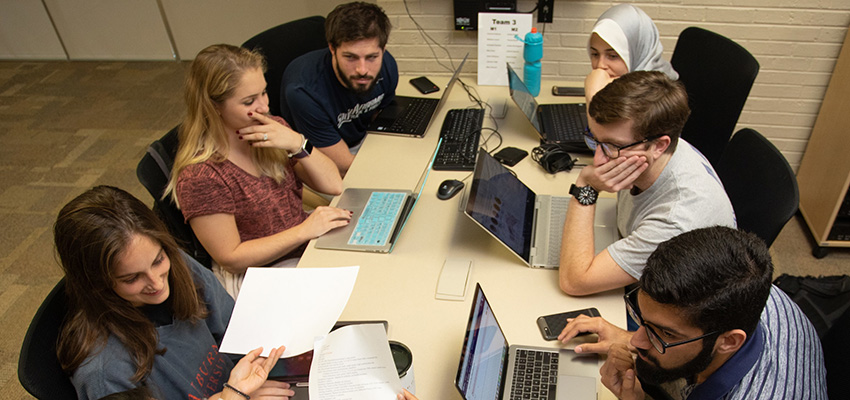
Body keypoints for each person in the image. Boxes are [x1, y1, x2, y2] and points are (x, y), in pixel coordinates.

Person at [54, 185, 294, 399]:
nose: (157, 283)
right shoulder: (105, 371)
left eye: (158, 260)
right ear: (96, 283)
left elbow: (234, 333)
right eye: (132, 278)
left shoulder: (177, 267)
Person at [557, 226, 827, 399]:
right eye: (644, 319)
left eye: (664, 333)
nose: (636, 342)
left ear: (729, 341)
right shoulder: (750, 290)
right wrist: (626, 335)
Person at [166, 44, 348, 298]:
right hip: (259, 274)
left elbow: (334, 185)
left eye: (263, 92)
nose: (263, 106)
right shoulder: (201, 176)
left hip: (301, 247)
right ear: (213, 106)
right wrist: (304, 230)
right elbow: (231, 257)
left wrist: (298, 143)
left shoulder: (272, 131)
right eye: (249, 101)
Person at [558, 71, 735, 296]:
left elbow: (574, 282)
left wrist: (587, 186)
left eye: (613, 146)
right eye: (595, 139)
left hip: (665, 308)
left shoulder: (675, 219)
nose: (598, 160)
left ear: (659, 145)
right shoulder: (660, 140)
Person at [281, 1, 398, 176]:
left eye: (372, 57)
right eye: (350, 57)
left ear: (383, 49)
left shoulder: (386, 64)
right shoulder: (303, 91)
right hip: (322, 160)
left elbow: (382, 113)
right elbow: (345, 167)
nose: (362, 69)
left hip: (364, 142)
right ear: (332, 49)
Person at [585, 4, 678, 103]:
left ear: (638, 53)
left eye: (612, 56)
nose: (600, 65)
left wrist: (593, 96)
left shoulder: (658, 100)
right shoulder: (623, 89)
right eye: (595, 54)